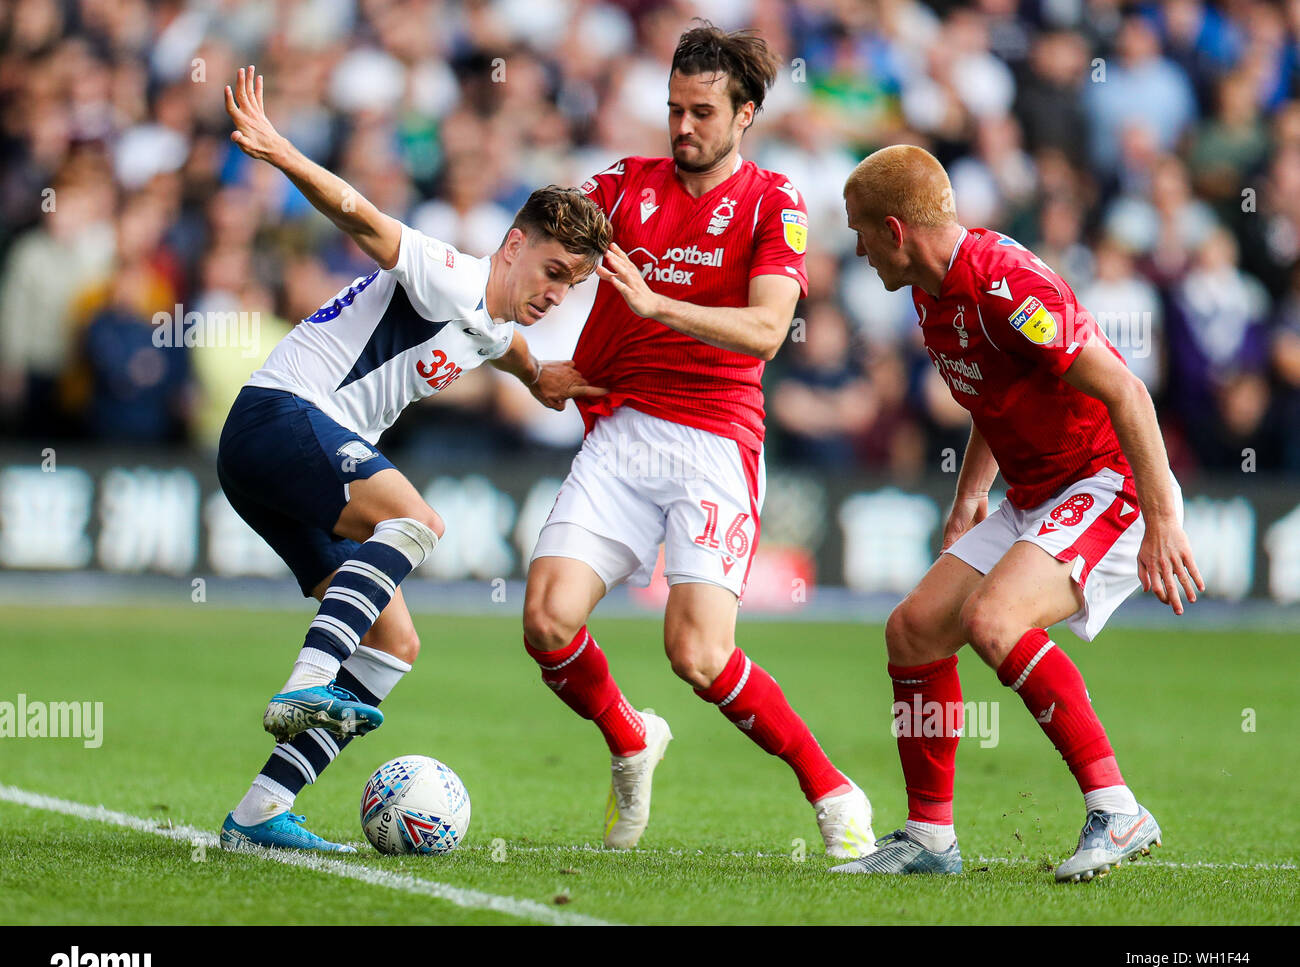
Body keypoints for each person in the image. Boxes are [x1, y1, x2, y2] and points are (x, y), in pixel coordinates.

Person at [215, 66, 610, 853]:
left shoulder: (491, 319)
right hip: (280, 417)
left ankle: (258, 815)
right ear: (513, 245)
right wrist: (281, 153)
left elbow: (504, 346)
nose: (557, 292)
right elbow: (360, 216)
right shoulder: (450, 272)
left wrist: (540, 379)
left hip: (279, 457)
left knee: (395, 643)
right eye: (553, 271)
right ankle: (303, 688)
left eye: (574, 285)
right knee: (415, 519)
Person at [521, 25, 876, 857]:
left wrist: (655, 307)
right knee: (545, 619)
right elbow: (547, 246)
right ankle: (631, 738)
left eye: (703, 112)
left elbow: (763, 330)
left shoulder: (773, 201)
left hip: (714, 441)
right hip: (623, 428)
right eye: (674, 108)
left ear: (746, 114)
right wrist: (529, 349)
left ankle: (832, 790)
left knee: (700, 655)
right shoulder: (624, 184)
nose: (682, 127)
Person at [833, 145, 1203, 882]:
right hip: (1034, 490)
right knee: (911, 631)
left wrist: (1162, 518)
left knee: (993, 621)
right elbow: (991, 395)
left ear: (897, 231)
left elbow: (1127, 392)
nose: (857, 247)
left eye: (861, 231)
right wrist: (972, 493)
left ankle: (1117, 808)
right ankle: (929, 838)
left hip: (1110, 482)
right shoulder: (930, 291)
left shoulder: (1007, 284)